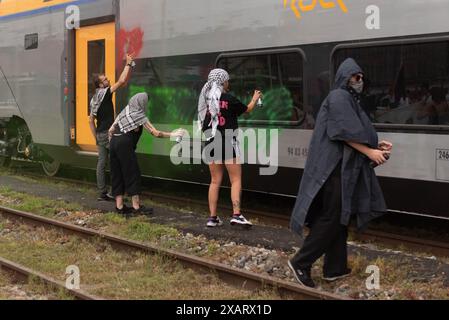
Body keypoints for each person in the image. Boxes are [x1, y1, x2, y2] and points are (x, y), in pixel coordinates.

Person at [289, 58, 393, 288]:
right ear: (346, 78)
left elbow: (355, 131)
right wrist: (369, 152)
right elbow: (341, 132)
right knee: (333, 217)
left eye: (362, 78)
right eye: (357, 77)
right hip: (333, 170)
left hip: (340, 169)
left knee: (339, 217)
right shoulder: (338, 97)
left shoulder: (348, 99)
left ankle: (334, 268)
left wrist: (377, 147)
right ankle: (300, 262)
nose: (360, 81)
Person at [198, 68, 262, 228]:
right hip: (228, 142)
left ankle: (212, 218)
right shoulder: (229, 98)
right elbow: (247, 110)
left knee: (214, 181)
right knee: (235, 180)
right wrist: (255, 99)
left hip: (211, 142)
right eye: (227, 80)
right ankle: (236, 215)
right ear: (222, 81)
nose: (228, 83)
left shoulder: (205, 100)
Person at [108, 93, 184, 215]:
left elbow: (111, 129)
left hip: (113, 143)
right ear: (141, 103)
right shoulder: (139, 115)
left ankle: (120, 207)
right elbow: (155, 133)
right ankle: (136, 207)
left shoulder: (125, 111)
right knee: (132, 173)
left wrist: (112, 144)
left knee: (117, 174)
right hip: (124, 144)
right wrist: (174, 134)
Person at [89, 54, 135, 201]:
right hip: (108, 133)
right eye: (105, 80)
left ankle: (102, 192)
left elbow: (91, 120)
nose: (108, 80)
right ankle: (119, 192)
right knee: (120, 160)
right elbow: (121, 81)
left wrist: (96, 137)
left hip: (100, 134)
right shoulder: (104, 93)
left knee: (102, 163)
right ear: (101, 85)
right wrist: (128, 64)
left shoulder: (94, 98)